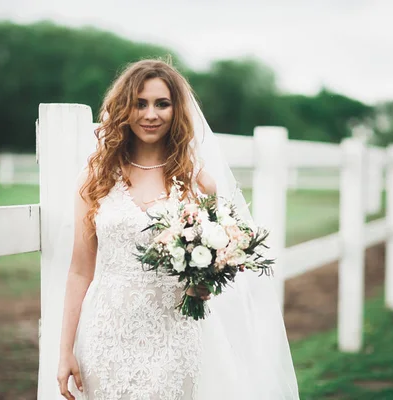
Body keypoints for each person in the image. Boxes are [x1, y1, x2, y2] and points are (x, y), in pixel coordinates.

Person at [41, 59, 300, 400]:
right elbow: (79, 271)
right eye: (140, 103)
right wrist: (64, 352)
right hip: (106, 334)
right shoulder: (96, 180)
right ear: (124, 109)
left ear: (177, 110)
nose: (151, 114)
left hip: (175, 336)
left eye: (162, 104)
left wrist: (205, 282)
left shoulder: (197, 183)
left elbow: (217, 256)